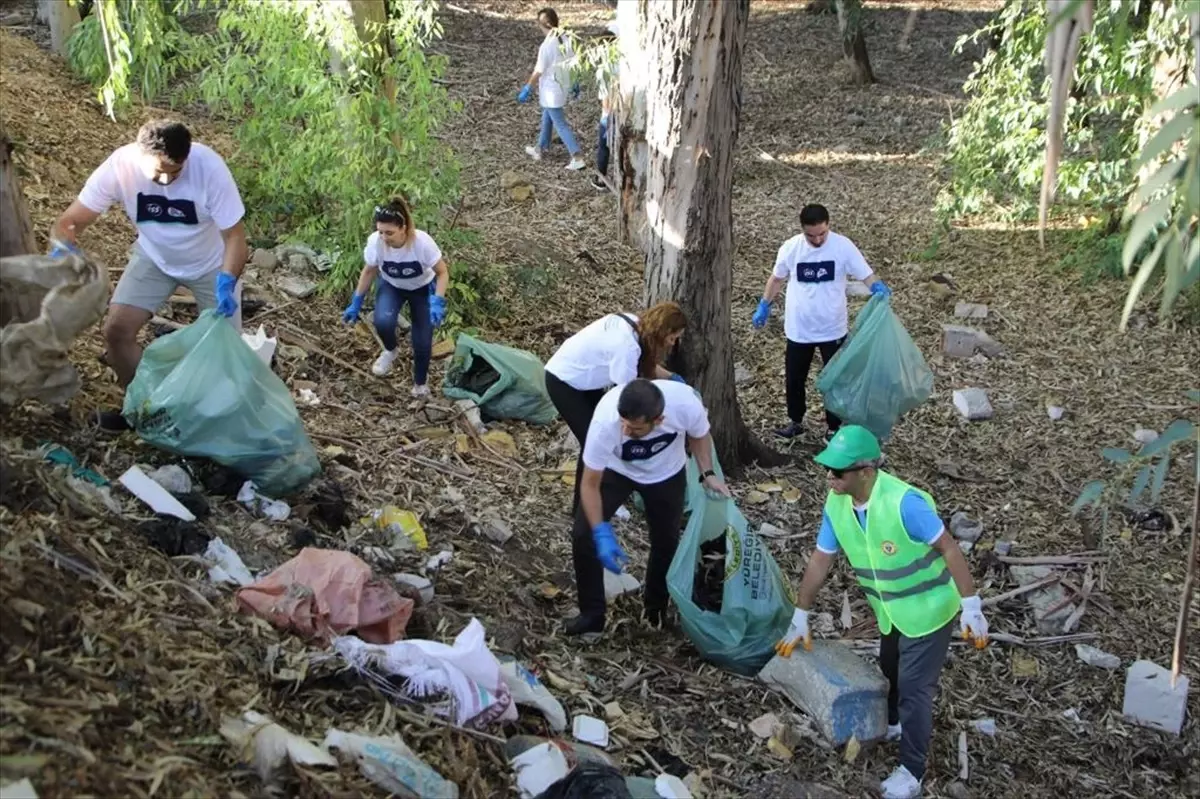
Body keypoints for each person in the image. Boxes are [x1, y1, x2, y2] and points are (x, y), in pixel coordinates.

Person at [776, 425, 989, 799]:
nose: (830, 478)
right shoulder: (836, 504)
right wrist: (800, 616)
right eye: (827, 469)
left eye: (838, 472)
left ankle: (912, 769)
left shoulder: (905, 503)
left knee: (914, 689)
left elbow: (950, 549)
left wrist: (972, 606)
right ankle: (893, 724)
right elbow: (820, 561)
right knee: (890, 667)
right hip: (890, 612)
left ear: (866, 472)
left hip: (929, 610)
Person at [50, 119, 248, 432]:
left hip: (211, 264)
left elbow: (235, 238)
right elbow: (71, 221)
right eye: (157, 172)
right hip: (154, 257)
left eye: (175, 173)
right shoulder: (120, 166)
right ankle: (142, 408)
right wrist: (64, 250)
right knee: (116, 331)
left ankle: (210, 428)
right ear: (138, 155)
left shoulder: (208, 167)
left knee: (224, 352)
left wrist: (227, 280)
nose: (165, 181)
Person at [568, 378, 730, 636]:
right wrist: (600, 530)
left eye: (634, 429)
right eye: (624, 423)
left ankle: (655, 610)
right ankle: (591, 614)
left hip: (666, 474)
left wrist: (707, 473)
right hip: (616, 470)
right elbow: (588, 484)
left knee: (666, 541)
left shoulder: (686, 404)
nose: (625, 431)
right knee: (583, 535)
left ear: (659, 420)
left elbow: (699, 435)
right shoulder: (605, 421)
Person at [751, 203, 890, 441]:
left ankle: (833, 427)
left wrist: (876, 287)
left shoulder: (843, 247)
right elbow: (776, 279)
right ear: (802, 230)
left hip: (832, 328)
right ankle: (795, 421)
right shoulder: (791, 248)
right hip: (799, 329)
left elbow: (865, 273)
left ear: (829, 226)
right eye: (811, 235)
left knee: (835, 380)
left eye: (822, 234)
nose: (817, 240)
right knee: (795, 379)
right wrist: (765, 304)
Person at [544, 302, 687, 513]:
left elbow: (642, 363)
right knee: (595, 440)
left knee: (603, 439)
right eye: (672, 338)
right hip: (564, 381)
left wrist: (672, 379)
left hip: (586, 379)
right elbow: (626, 399)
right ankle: (587, 506)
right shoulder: (627, 346)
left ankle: (599, 495)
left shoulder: (636, 325)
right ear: (662, 331)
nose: (672, 344)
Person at [341, 197, 450, 397]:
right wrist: (356, 302)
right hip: (392, 286)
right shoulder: (376, 242)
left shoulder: (422, 243)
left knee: (422, 342)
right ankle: (390, 351)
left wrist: (437, 301)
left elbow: (443, 272)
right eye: (380, 231)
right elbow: (369, 271)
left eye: (389, 232)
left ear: (404, 228)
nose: (384, 237)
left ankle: (420, 384)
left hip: (422, 288)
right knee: (382, 321)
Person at [517, 7, 586, 171]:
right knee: (547, 116)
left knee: (560, 124)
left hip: (551, 91)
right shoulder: (566, 38)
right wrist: (575, 82)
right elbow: (572, 63)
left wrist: (528, 87)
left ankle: (577, 156)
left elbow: (539, 71)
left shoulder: (547, 45)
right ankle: (541, 149)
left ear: (542, 24)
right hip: (561, 87)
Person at [590, 17, 620, 192]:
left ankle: (601, 177)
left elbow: (606, 99)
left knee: (604, 146)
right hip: (625, 110)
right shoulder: (622, 63)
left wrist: (607, 114)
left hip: (610, 114)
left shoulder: (605, 70)